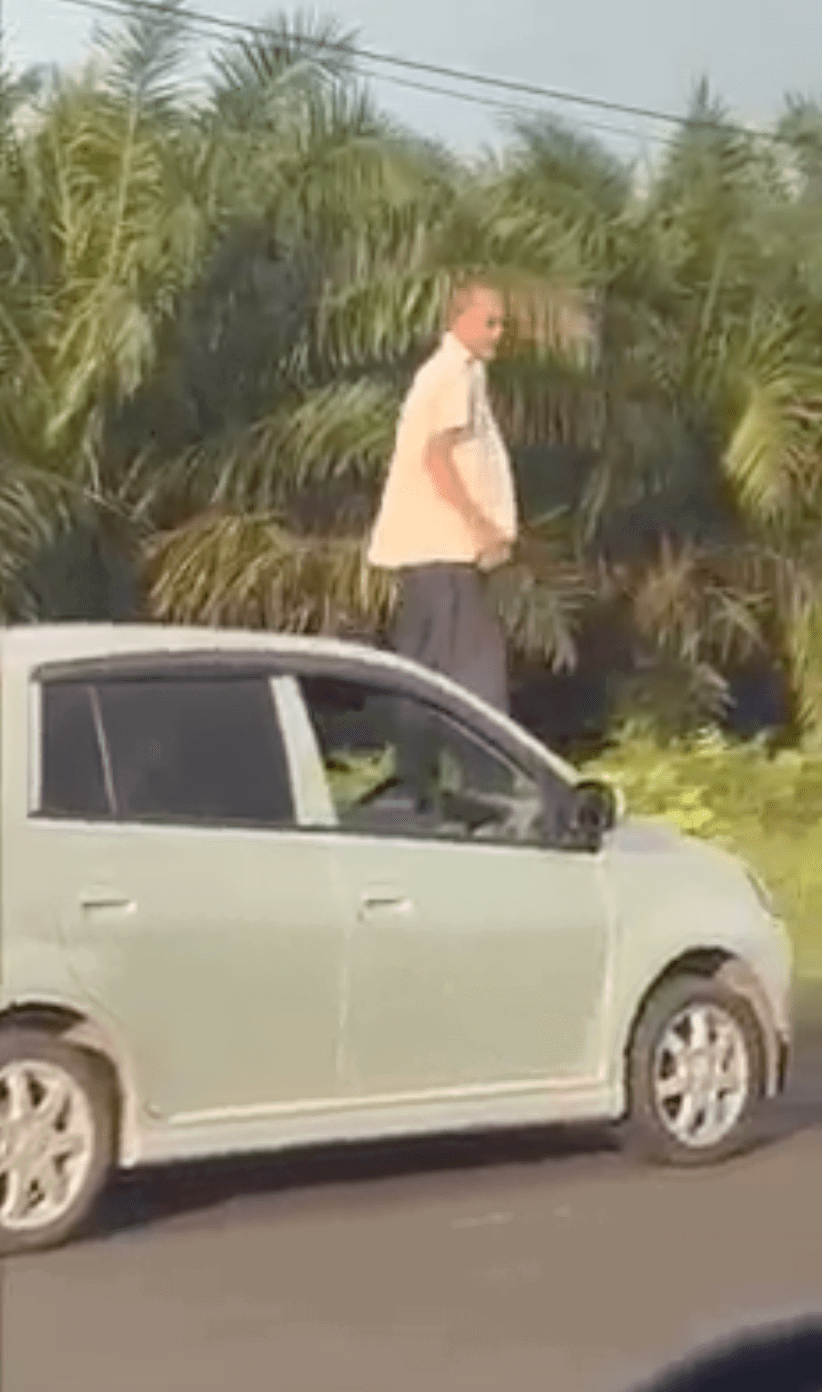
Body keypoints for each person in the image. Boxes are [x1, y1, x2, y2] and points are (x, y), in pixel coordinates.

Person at [367, 274, 518, 805]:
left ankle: (414, 784)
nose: (499, 334)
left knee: (424, 671)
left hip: (425, 555)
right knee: (475, 675)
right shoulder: (458, 371)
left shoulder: (440, 371)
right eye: (490, 322)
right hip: (449, 551)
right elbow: (438, 457)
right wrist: (480, 526)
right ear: (460, 319)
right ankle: (489, 791)